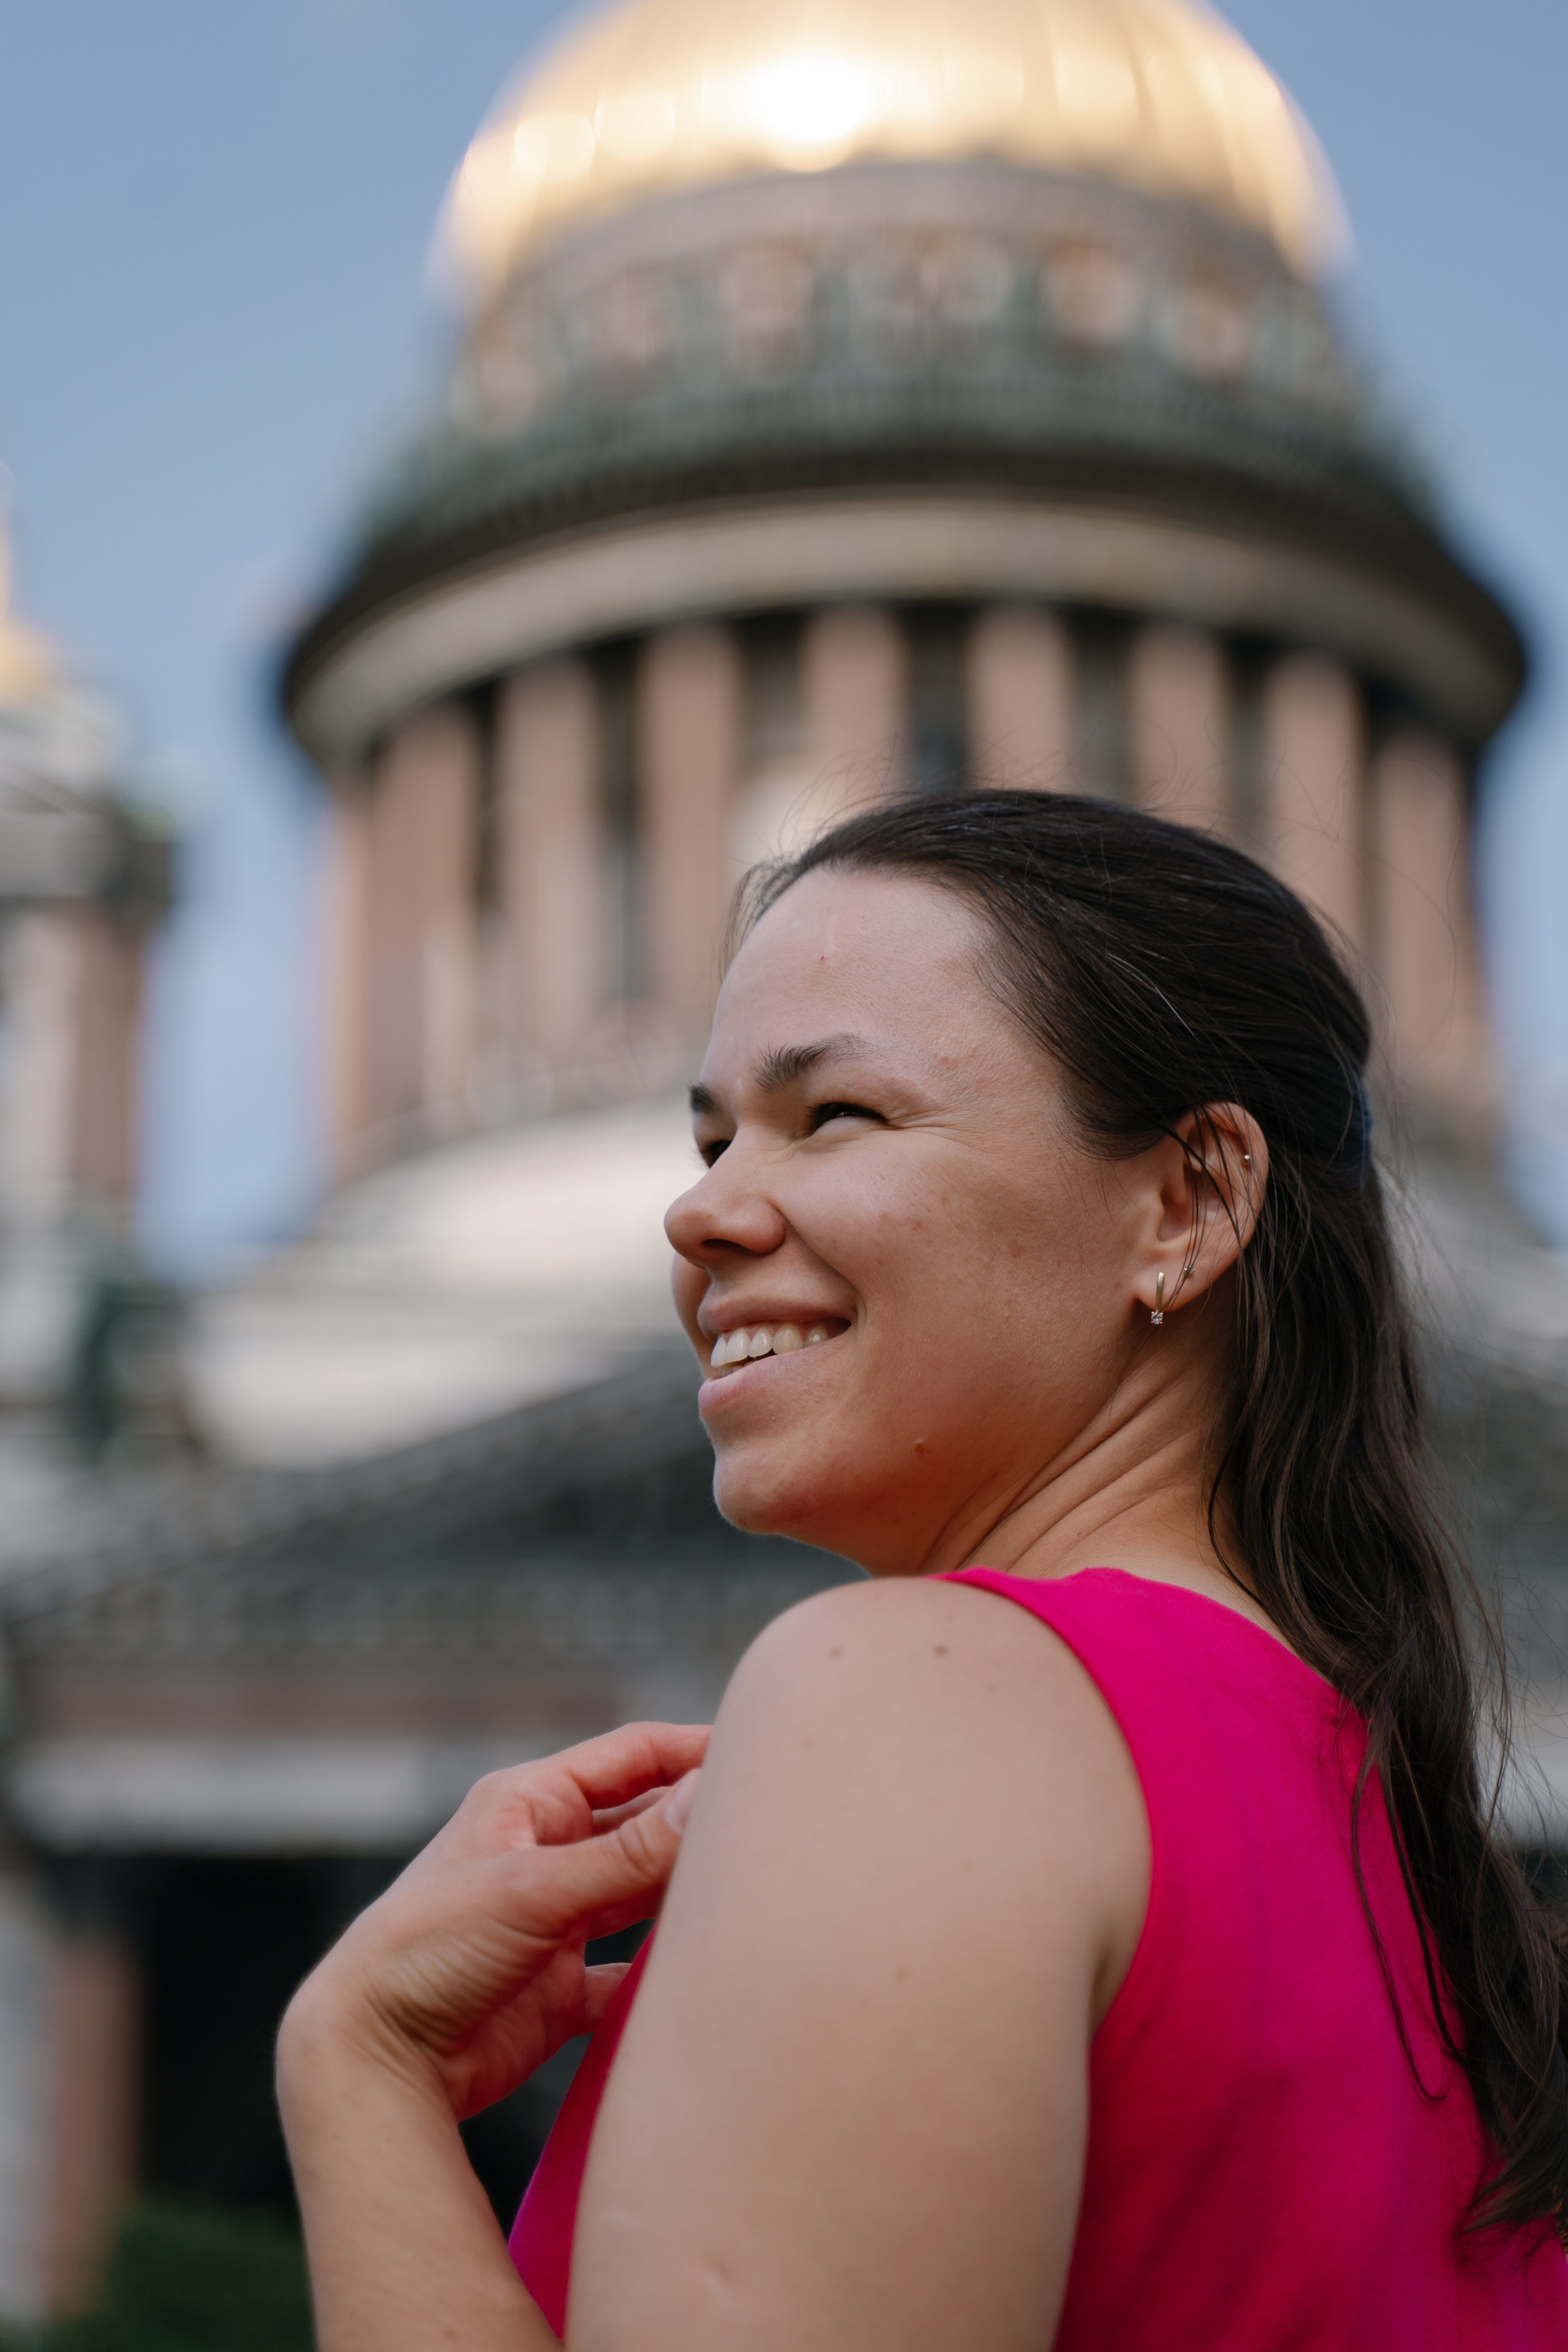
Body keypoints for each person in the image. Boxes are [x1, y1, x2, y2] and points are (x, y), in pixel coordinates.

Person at [279, 793, 1568, 2350]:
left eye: (835, 1117)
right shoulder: (1427, 1895)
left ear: (1186, 1202)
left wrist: (354, 2074)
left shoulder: (910, 1695)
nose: (697, 1211)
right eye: (708, 1137)